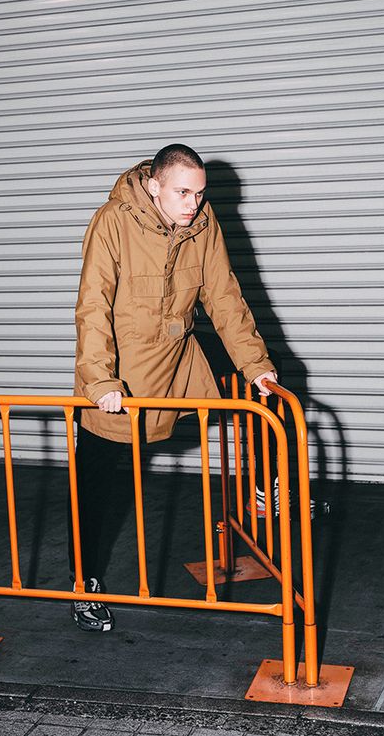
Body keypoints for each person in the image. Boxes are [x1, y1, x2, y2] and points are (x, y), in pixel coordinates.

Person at [69, 143, 276, 632]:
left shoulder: (203, 226)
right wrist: (100, 380)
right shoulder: (112, 222)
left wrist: (256, 366)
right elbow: (92, 306)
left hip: (176, 362)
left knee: (269, 396)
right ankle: (84, 584)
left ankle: (270, 491)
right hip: (117, 374)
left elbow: (225, 298)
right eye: (183, 192)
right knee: (95, 486)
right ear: (152, 185)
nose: (194, 204)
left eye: (200, 194)